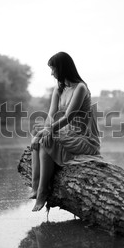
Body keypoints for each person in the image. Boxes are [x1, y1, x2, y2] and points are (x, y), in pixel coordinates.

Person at [30, 52, 102, 211]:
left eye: (53, 69)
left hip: (83, 138)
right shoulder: (59, 88)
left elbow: (69, 117)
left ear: (62, 69)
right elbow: (50, 114)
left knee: (45, 139)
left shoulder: (81, 87)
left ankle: (42, 191)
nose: (51, 73)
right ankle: (36, 185)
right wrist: (44, 131)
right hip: (65, 133)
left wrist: (47, 133)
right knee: (38, 134)